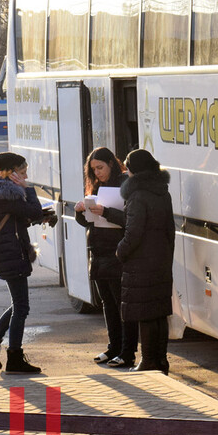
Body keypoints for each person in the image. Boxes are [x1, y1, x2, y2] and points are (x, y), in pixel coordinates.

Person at [0, 152, 44, 374]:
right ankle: (13, 356)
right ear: (10, 173)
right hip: (11, 254)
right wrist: (28, 188)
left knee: (19, 303)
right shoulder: (9, 193)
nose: (25, 177)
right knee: (22, 306)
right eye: (22, 173)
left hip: (7, 252)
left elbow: (20, 218)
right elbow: (33, 211)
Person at [75, 147, 135, 368]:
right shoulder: (98, 186)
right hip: (98, 252)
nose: (97, 173)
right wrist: (81, 211)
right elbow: (88, 222)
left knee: (122, 305)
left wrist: (106, 212)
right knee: (107, 304)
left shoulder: (124, 185)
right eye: (93, 169)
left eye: (100, 167)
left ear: (112, 163)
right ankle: (113, 347)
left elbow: (129, 220)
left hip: (116, 252)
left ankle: (127, 351)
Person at [116, 149, 174, 374]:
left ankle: (148, 360)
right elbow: (170, 230)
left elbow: (133, 233)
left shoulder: (137, 195)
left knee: (145, 314)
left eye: (128, 168)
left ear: (135, 171)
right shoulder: (162, 192)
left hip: (141, 263)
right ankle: (161, 360)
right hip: (160, 260)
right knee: (159, 312)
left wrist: (120, 252)